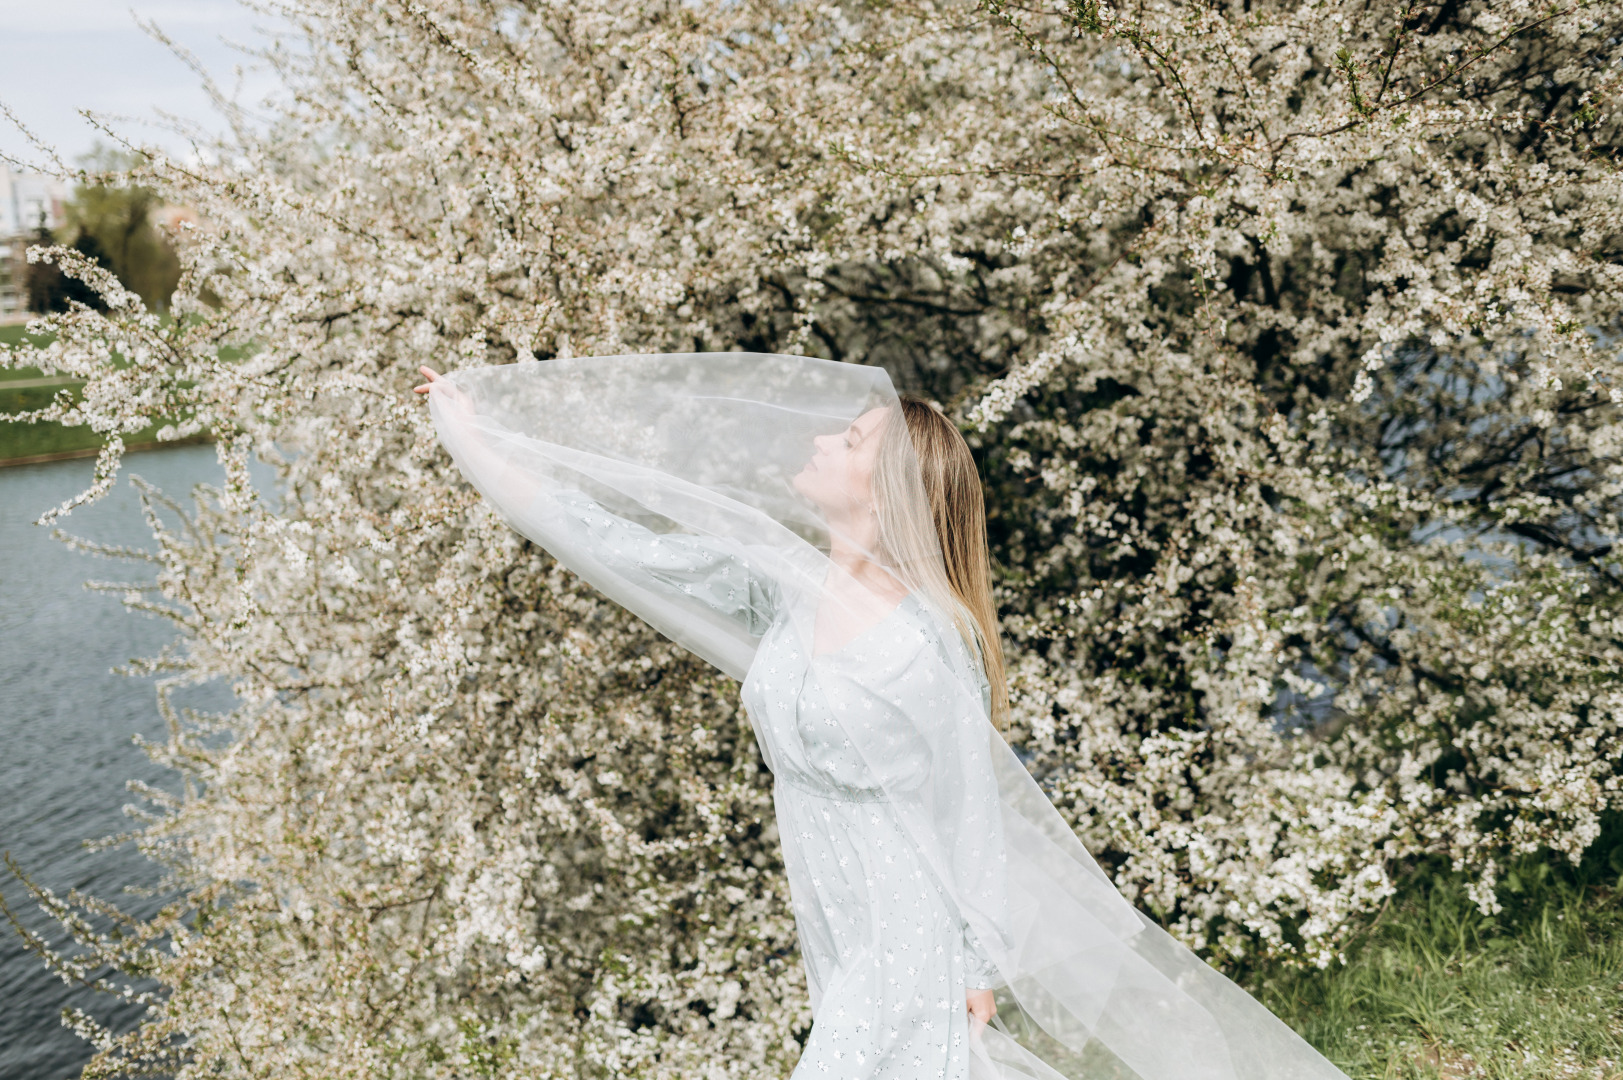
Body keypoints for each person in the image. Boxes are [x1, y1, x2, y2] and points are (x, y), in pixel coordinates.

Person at [415, 353, 1350, 1080]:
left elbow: (970, 803)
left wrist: (976, 963)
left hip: (912, 932)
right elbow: (614, 542)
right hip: (838, 927)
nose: (820, 444)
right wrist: (477, 441)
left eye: (850, 442)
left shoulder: (923, 641)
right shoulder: (782, 591)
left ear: (889, 484)